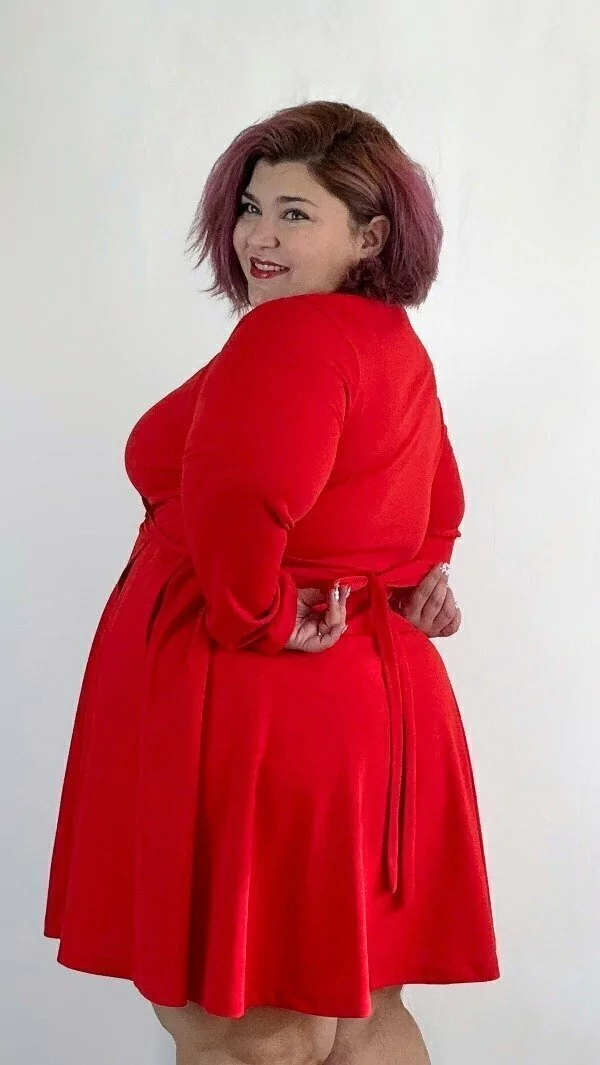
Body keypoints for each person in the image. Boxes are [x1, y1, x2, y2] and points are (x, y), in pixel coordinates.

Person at [44, 100, 499, 1065]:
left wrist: (258, 615)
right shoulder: (389, 341)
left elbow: (244, 495)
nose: (259, 235)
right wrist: (419, 577)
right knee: (361, 1013)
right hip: (371, 712)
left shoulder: (286, 340)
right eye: (253, 208)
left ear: (371, 235)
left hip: (253, 711)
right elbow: (436, 501)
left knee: (238, 1030)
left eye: (296, 213)